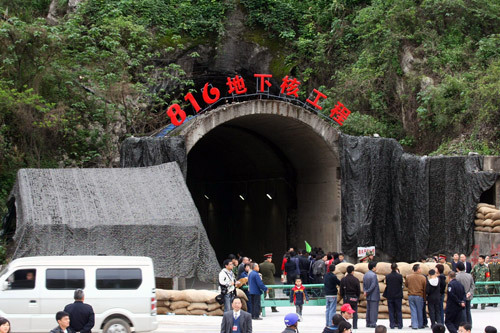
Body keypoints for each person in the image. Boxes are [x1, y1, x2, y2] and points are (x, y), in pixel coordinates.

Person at [405, 263, 426, 329]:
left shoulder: (409, 277)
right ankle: (420, 324)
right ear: (418, 269)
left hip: (411, 295)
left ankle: (414, 325)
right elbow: (425, 287)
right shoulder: (423, 277)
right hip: (419, 295)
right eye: (420, 268)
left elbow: (406, 285)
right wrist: (425, 297)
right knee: (419, 310)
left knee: (413, 310)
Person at [383, 263, 403, 329]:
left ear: (391, 268)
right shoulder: (400, 276)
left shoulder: (388, 276)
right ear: (396, 268)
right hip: (398, 295)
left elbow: (387, 284)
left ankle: (392, 324)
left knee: (391, 311)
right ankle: (400, 325)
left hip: (390, 295)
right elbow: (401, 284)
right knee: (398, 310)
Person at [363, 262, 380, 328]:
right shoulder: (374, 275)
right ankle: (373, 323)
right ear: (373, 268)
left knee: (368, 309)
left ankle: (368, 322)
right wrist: (368, 291)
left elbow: (364, 284)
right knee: (373, 310)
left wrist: (365, 291)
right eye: (375, 267)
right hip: (374, 295)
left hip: (368, 295)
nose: (376, 268)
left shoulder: (365, 275)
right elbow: (373, 285)